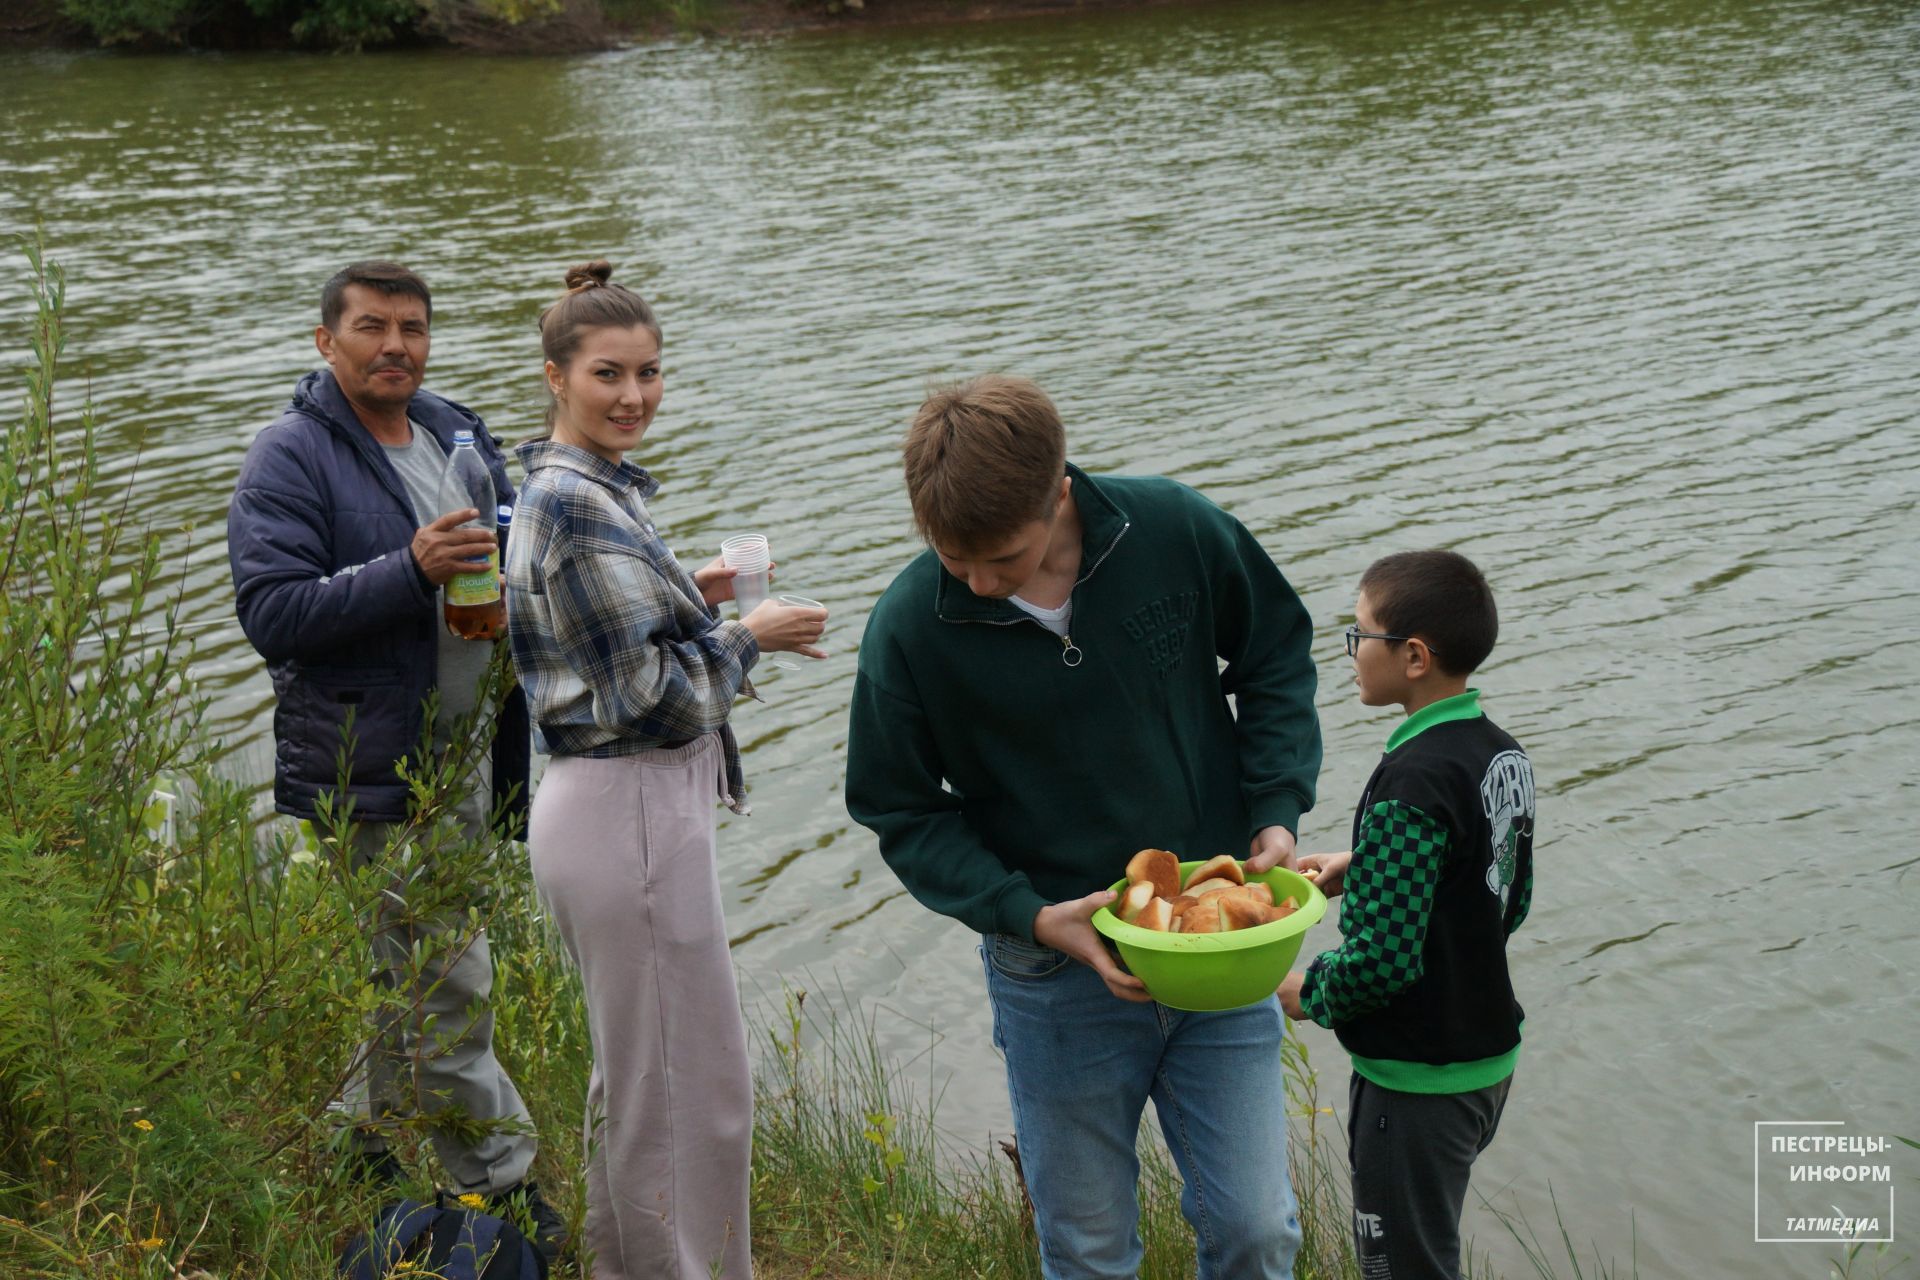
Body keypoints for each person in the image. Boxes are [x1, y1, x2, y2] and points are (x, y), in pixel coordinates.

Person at [845, 374, 1323, 1280]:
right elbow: (899, 806)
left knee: (1260, 1232)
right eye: (955, 560)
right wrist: (1026, 913)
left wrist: (1275, 808)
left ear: (1058, 491)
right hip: (1053, 975)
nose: (981, 583)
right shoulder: (910, 627)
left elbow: (1273, 655)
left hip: (1220, 950)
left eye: (1006, 560)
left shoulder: (1176, 529)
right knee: (1091, 1250)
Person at [227, 261, 562, 1254]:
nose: (395, 346)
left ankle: (356, 1138)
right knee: (452, 971)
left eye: (412, 327)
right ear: (325, 341)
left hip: (467, 750)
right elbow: (272, 612)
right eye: (371, 327)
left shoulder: (453, 428)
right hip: (371, 766)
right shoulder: (289, 456)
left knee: (394, 965)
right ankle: (497, 1180)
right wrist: (406, 570)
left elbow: (507, 545)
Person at [505, 260, 827, 1280]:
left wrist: (699, 586)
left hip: (614, 810)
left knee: (647, 1079)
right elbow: (651, 696)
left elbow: (608, 624)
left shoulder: (584, 488)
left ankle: (631, 1265)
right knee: (690, 1091)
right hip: (628, 807)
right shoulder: (575, 503)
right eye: (609, 373)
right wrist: (748, 634)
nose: (634, 394)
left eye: (650, 372)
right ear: (555, 374)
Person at [1277, 549, 1536, 1280]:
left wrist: (1310, 992)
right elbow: (1501, 892)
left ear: (1414, 656)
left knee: (1403, 1267)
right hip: (1486, 1061)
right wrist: (1361, 868)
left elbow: (1384, 961)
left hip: (1415, 1084)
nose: (1353, 654)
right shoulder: (1498, 754)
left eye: (1362, 637)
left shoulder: (1411, 780)